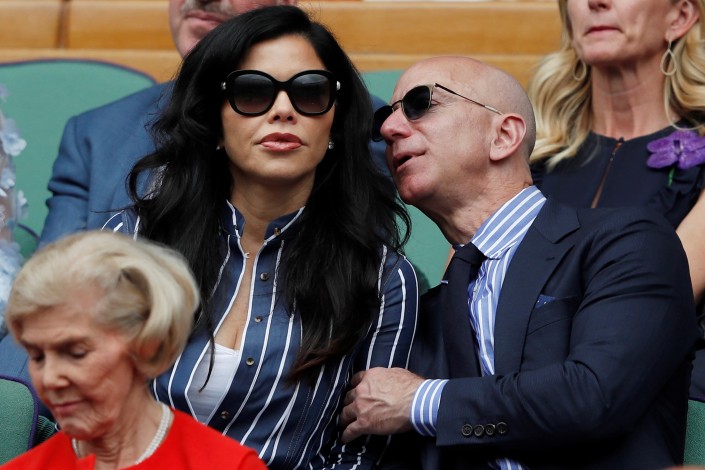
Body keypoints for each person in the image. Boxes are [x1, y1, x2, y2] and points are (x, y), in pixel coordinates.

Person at [339, 56, 699, 469]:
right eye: (383, 119)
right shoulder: (424, 313)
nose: (389, 129)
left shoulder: (627, 241)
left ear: (504, 135)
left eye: (421, 104)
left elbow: (594, 394)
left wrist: (421, 401)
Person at [104, 5, 418, 469]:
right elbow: (86, 406)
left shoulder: (382, 278)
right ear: (214, 120)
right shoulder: (133, 241)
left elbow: (360, 456)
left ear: (334, 122)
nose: (283, 111)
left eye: (310, 92)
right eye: (252, 92)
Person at [38, 0, 389, 246]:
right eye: (252, 93)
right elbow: (46, 299)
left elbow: (364, 277)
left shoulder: (365, 124)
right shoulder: (95, 134)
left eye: (307, 94)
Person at [527, 0, 705, 397]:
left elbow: (643, 302)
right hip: (516, 401)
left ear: (679, 17)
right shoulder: (523, 155)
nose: (596, 2)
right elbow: (467, 302)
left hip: (648, 402)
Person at [1, 230, 267, 469]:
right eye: (37, 356)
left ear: (147, 346)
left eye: (76, 353)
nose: (49, 379)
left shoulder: (229, 465)